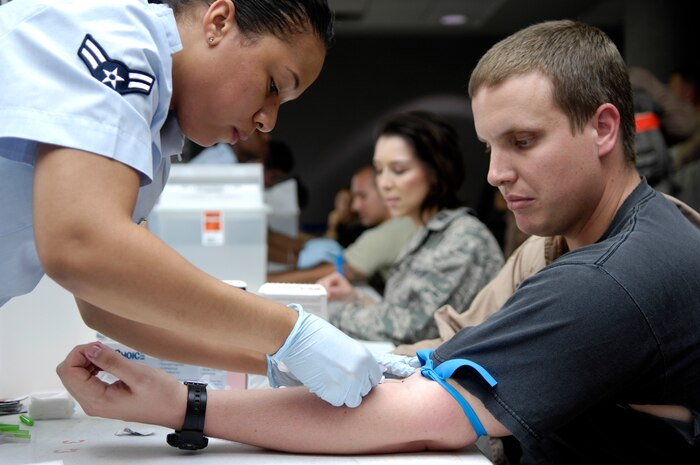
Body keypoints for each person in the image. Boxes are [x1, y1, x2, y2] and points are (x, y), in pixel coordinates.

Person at [58, 20, 700, 463]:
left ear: (605, 129)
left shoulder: (614, 275)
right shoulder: (562, 245)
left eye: (524, 141)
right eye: (491, 147)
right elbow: (429, 359)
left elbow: (428, 412)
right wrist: (266, 358)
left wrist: (185, 404)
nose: (498, 173)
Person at [0, 0, 382, 408]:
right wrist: (290, 332)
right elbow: (82, 245)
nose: (268, 121)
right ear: (218, 22)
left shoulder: (156, 145)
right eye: (273, 86)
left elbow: (112, 306)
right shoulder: (120, 42)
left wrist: (279, 360)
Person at [318, 111, 504, 345]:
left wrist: (323, 312)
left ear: (435, 172)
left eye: (399, 170)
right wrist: (354, 297)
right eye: (380, 170)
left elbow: (410, 329)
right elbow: (408, 313)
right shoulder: (426, 232)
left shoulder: (464, 238)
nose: (384, 183)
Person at [268, 165, 416, 291]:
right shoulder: (405, 223)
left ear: (386, 190)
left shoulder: (388, 233)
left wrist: (266, 282)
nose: (355, 206)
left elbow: (340, 270)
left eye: (362, 196)